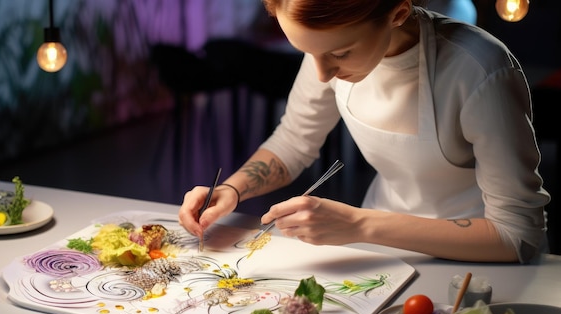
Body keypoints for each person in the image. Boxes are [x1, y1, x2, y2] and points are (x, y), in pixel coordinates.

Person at [178, 0, 550, 264]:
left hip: (479, 255)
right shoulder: (325, 49)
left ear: (398, 12)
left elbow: (516, 235)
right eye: (310, 53)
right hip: (377, 249)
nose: (322, 74)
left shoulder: (479, 70)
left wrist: (357, 223)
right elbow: (293, 141)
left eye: (340, 53)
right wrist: (233, 189)